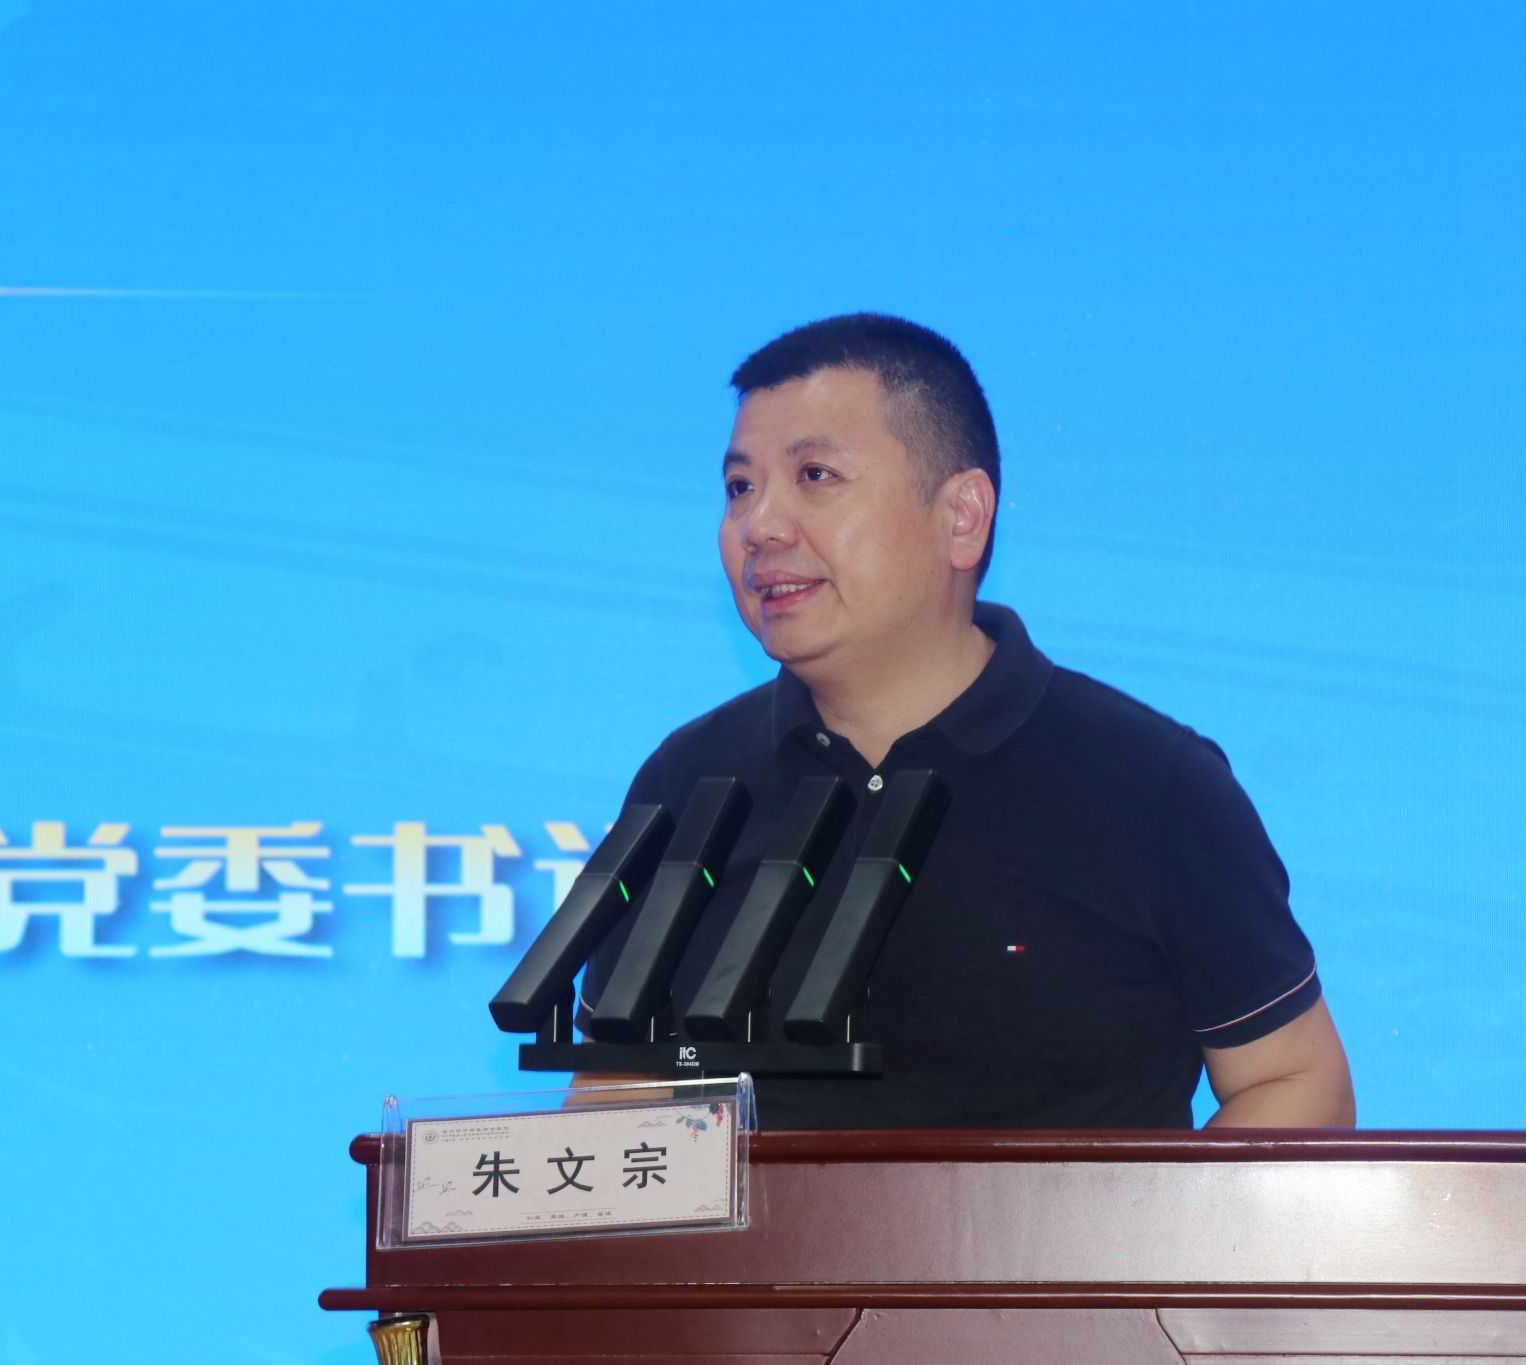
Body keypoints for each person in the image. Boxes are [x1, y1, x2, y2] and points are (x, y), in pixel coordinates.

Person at [578, 313, 1354, 1130]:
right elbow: (611, 1095)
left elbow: (1298, 1083)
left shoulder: (1149, 781)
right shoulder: (688, 782)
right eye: (741, 487)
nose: (760, 526)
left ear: (962, 516)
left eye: (815, 475)